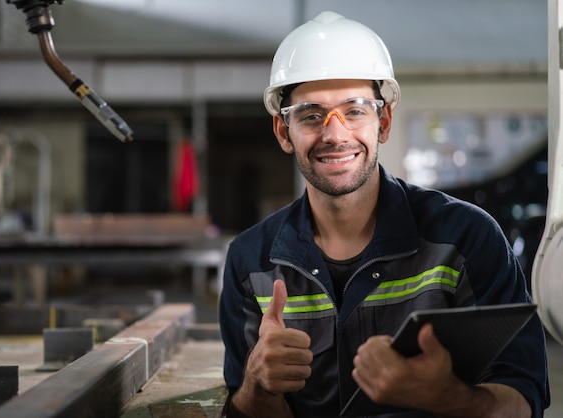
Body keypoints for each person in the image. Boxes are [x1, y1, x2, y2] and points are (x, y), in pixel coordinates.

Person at [218, 10, 550, 418]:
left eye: (355, 110)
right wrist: (258, 386)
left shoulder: (466, 238)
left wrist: (448, 399)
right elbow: (243, 408)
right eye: (310, 115)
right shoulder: (249, 261)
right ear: (284, 132)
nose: (335, 133)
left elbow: (524, 397)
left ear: (384, 120)